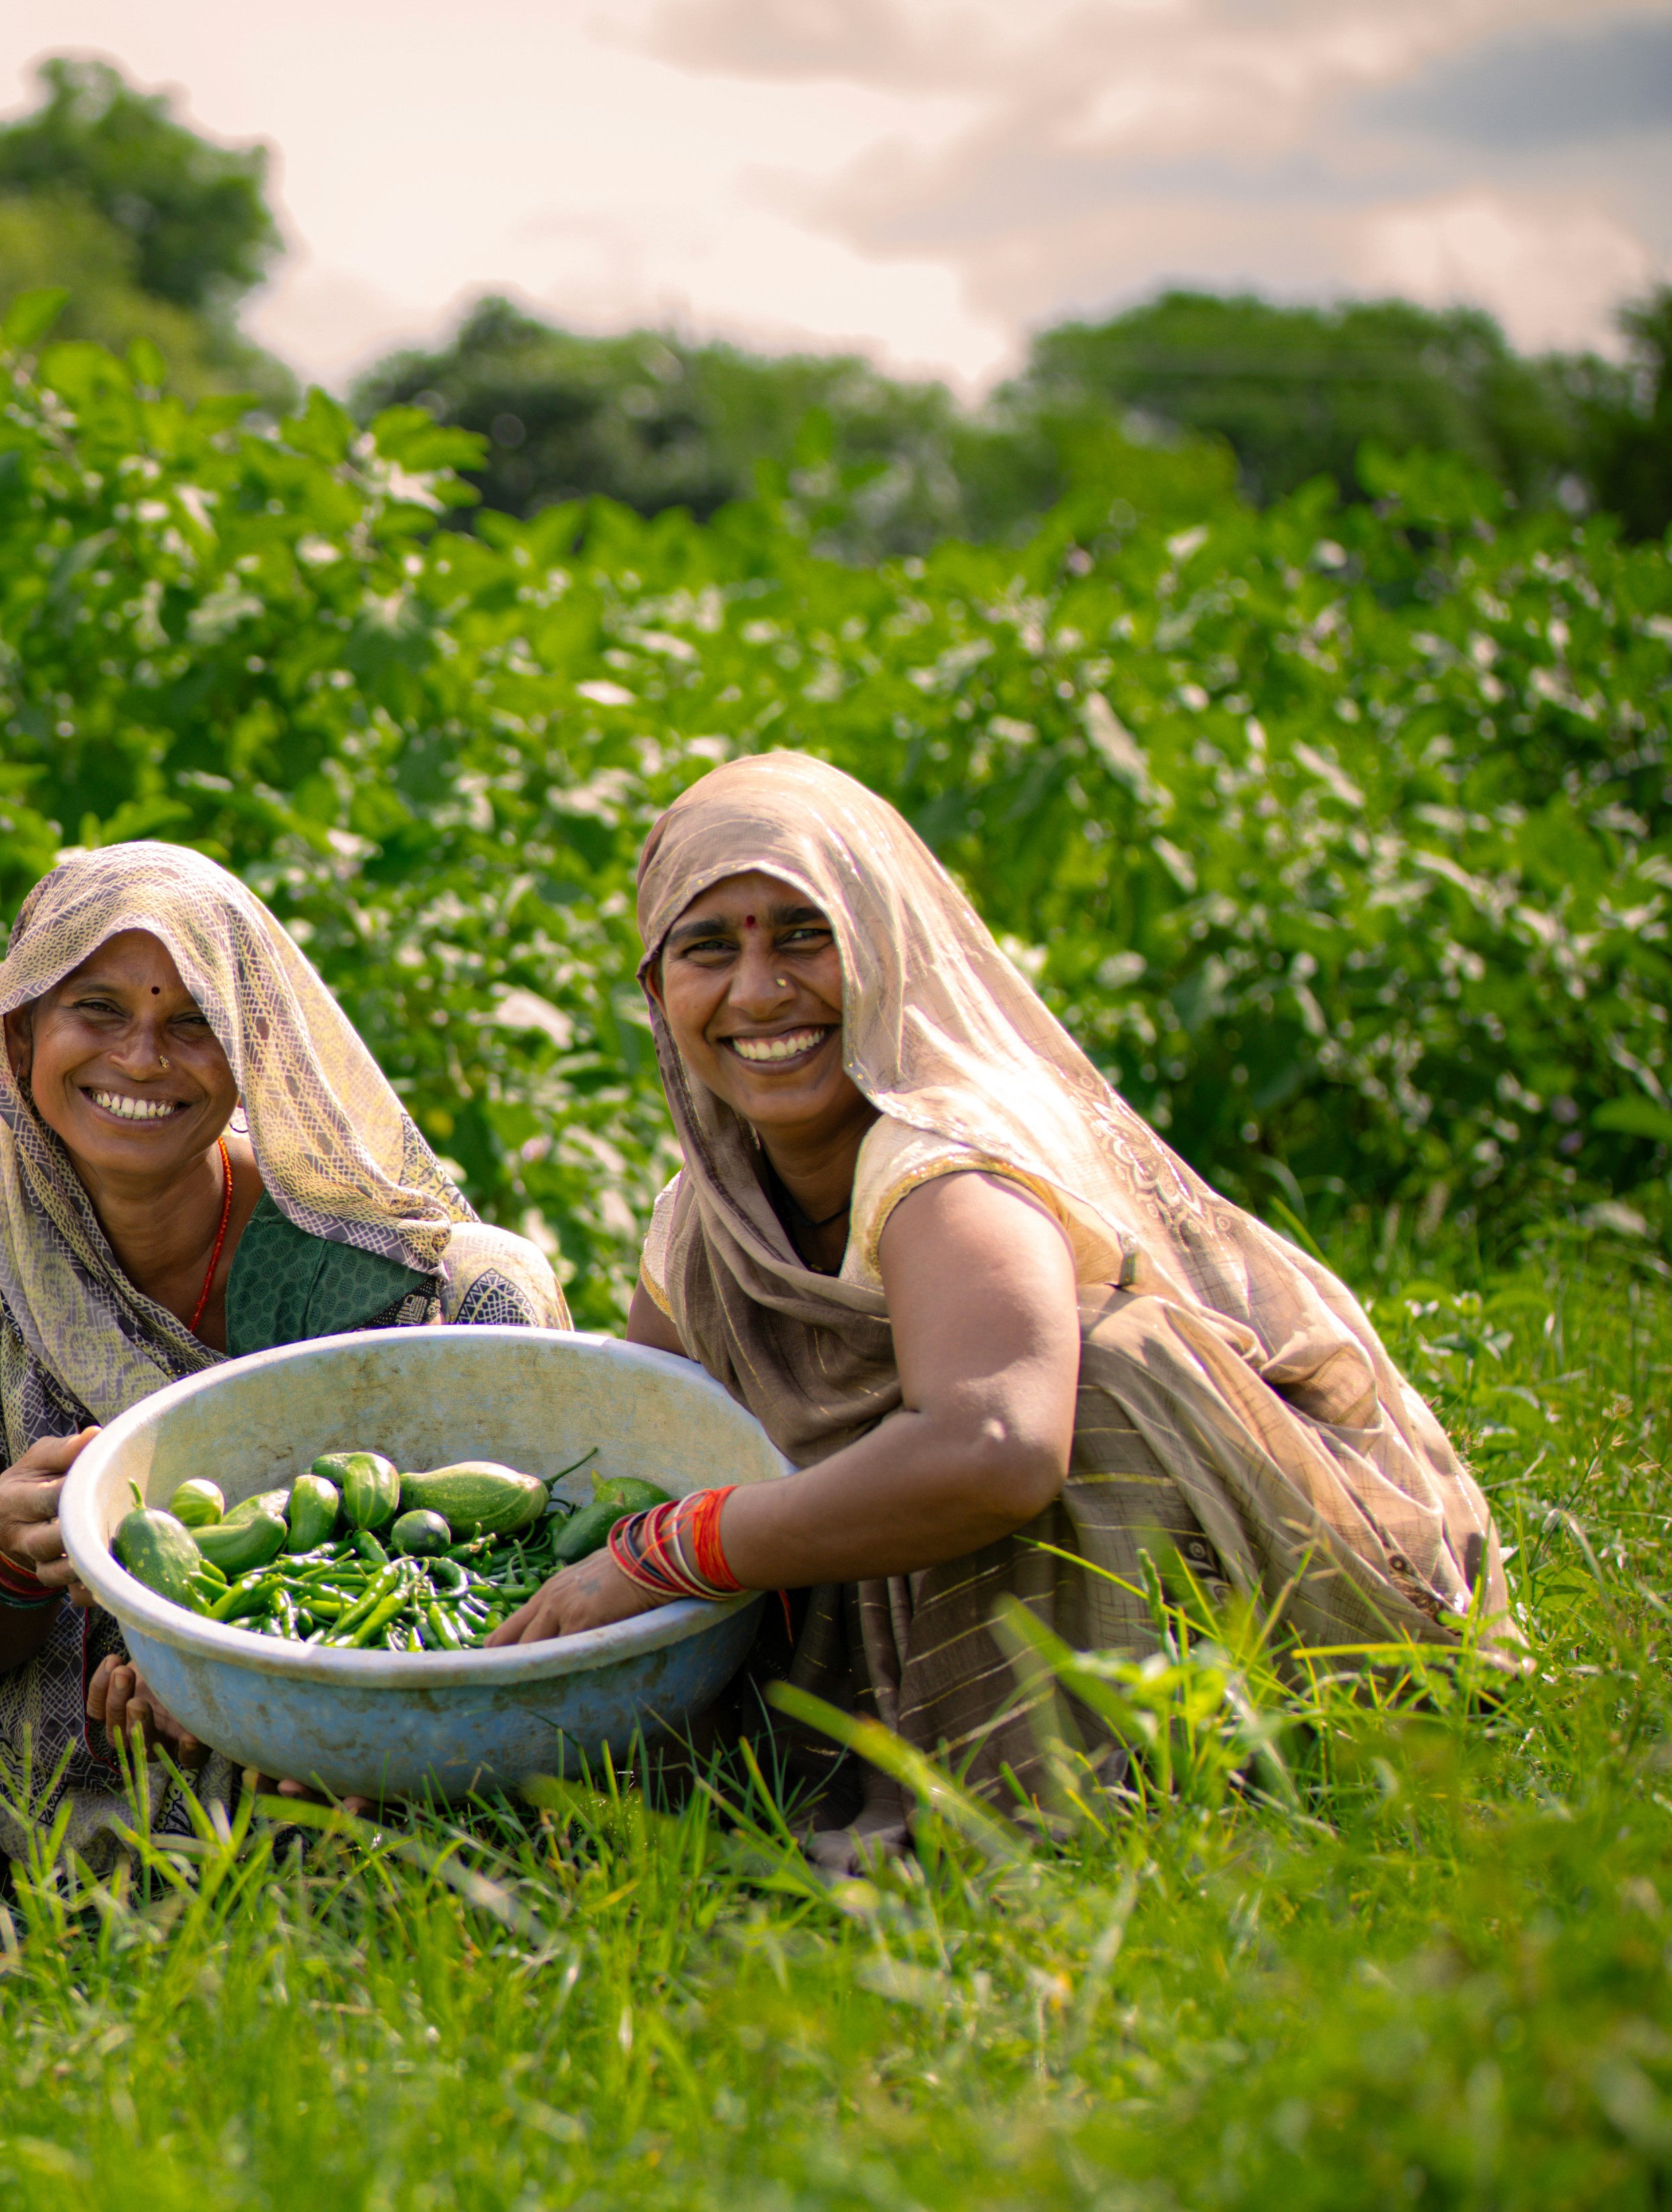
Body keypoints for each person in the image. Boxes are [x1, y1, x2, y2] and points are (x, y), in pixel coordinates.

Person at [491, 751, 1509, 1861]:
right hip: (914, 1601)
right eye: (706, 948)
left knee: (1106, 1372)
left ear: (884, 950)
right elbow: (651, 1451)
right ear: (658, 992)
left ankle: (1092, 1806)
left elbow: (997, 1450)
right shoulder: (708, 1218)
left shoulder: (946, 1168)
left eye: (801, 934)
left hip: (1256, 1589)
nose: (760, 990)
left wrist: (679, 1547)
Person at [0, 842, 569, 1888]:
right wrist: (10, 1553)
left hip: (347, 1646)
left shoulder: (342, 1247)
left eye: (193, 1024)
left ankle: (450, 1802)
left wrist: (215, 1657)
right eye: (98, 1010)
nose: (142, 1059)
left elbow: (389, 1528)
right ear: (22, 1029)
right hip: (60, 1709)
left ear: (250, 1055)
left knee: (499, 1274)